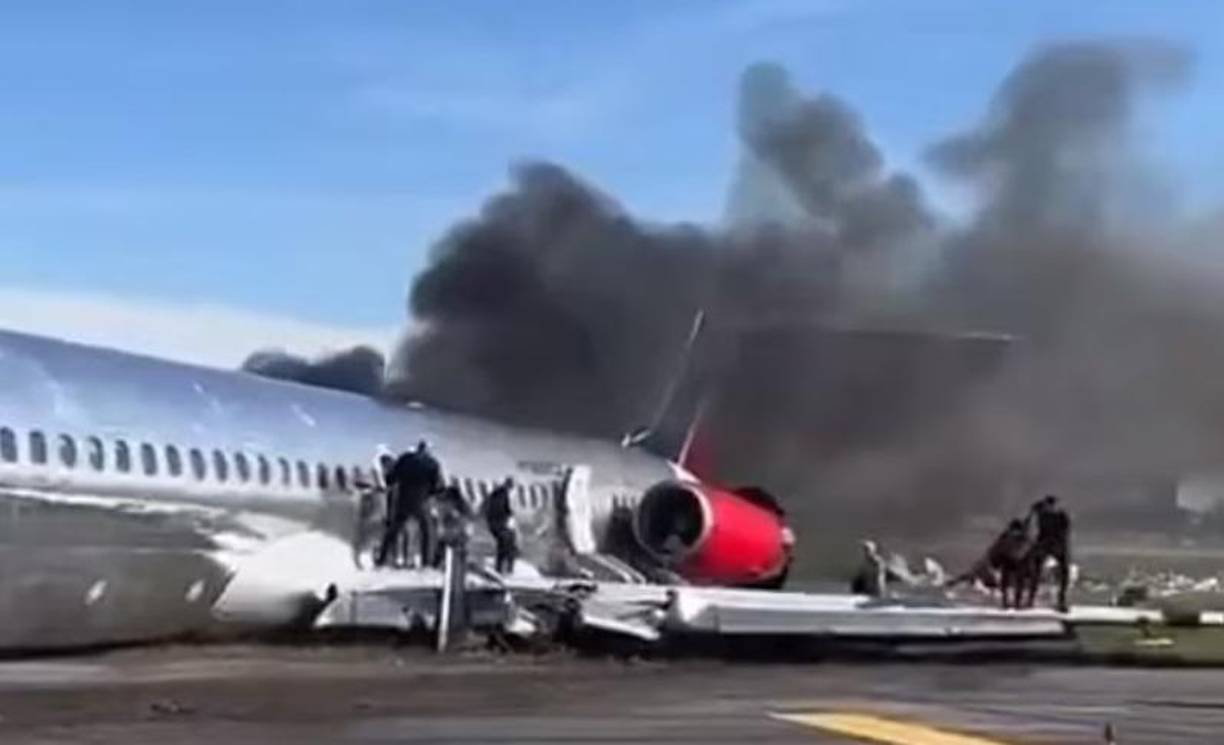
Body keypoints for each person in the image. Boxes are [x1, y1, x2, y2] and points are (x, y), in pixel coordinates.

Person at [375, 440, 443, 568]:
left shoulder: (405, 459)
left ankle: (382, 559)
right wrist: (429, 493)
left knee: (393, 530)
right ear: (427, 450)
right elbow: (437, 487)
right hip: (421, 500)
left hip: (403, 499)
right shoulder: (433, 463)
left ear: (417, 448)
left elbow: (391, 479)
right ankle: (426, 562)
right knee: (427, 531)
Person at [1021, 494, 1073, 612]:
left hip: (1050, 544)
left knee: (1060, 573)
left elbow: (1065, 530)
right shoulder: (1047, 514)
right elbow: (1065, 530)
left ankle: (1059, 601)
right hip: (1050, 544)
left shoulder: (1049, 514)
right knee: (1038, 571)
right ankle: (1033, 599)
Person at [483, 477, 517, 575]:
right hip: (498, 523)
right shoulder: (501, 495)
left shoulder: (498, 494)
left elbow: (504, 509)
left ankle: (501, 567)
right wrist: (509, 515)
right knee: (507, 544)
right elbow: (503, 509)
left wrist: (509, 513)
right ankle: (506, 568)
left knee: (504, 544)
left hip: (496, 523)